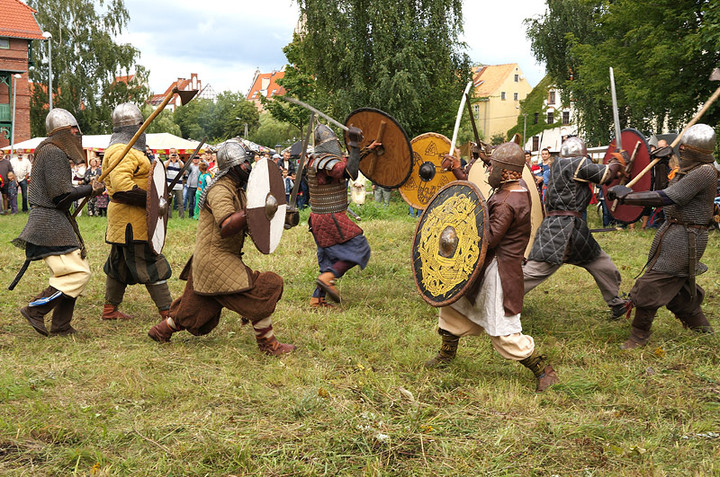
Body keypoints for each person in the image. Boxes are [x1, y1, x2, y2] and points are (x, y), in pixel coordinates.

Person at [426, 142, 558, 392]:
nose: (489, 171)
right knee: (455, 304)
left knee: (502, 329)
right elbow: (480, 201)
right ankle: (447, 354)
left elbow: (487, 239)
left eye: (493, 167)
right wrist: (457, 171)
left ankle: (542, 369)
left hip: (499, 271)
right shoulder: (512, 189)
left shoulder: (508, 201)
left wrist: (456, 230)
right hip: (487, 266)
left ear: (507, 172)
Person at [147, 140, 296, 355]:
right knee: (263, 288)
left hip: (209, 261)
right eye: (245, 163)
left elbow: (250, 225)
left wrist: (277, 218)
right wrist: (255, 211)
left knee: (193, 308)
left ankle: (161, 331)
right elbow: (227, 225)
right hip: (216, 260)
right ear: (233, 165)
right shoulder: (219, 190)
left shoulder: (237, 190)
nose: (249, 167)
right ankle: (268, 344)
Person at [607, 124, 718, 349]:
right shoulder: (691, 169)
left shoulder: (705, 172)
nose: (681, 152)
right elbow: (673, 184)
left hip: (687, 237)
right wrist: (671, 158)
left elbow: (668, 197)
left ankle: (638, 337)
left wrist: (629, 197)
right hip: (677, 232)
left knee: (651, 284)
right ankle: (704, 332)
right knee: (679, 290)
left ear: (694, 152)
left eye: (683, 150)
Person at [11, 108, 104, 335]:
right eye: (74, 130)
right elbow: (61, 195)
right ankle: (35, 309)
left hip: (54, 220)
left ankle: (61, 325)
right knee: (77, 273)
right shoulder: (53, 153)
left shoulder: (51, 151)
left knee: (67, 275)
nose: (77, 135)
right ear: (63, 131)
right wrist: (90, 189)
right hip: (49, 223)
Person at [523, 137, 630, 319]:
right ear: (582, 155)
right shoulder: (574, 164)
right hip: (560, 229)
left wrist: (617, 171)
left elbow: (606, 177)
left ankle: (616, 302)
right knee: (533, 272)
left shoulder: (558, 165)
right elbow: (605, 174)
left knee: (601, 263)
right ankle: (498, 297)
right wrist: (616, 163)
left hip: (573, 229)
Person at [101, 102, 173, 321]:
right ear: (134, 127)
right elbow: (123, 189)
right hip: (132, 222)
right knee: (151, 263)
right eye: (141, 125)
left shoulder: (129, 151)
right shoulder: (121, 151)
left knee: (119, 265)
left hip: (127, 223)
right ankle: (168, 312)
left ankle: (109, 310)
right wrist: (152, 200)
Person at [306, 124, 377, 307]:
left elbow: (347, 163)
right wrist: (354, 143)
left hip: (319, 218)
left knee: (328, 257)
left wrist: (366, 150)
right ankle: (328, 278)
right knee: (359, 247)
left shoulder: (318, 160)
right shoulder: (324, 162)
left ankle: (317, 299)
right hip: (330, 217)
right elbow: (350, 172)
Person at [165, 148, 185, 218]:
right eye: (171, 153)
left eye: (174, 153)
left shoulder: (180, 162)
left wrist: (178, 160)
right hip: (169, 185)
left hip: (179, 185)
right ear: (169, 154)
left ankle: (182, 217)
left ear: (177, 153)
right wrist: (169, 159)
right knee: (169, 202)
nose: (173, 154)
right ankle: (169, 216)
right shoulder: (166, 162)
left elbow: (183, 170)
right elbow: (164, 168)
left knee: (180, 203)